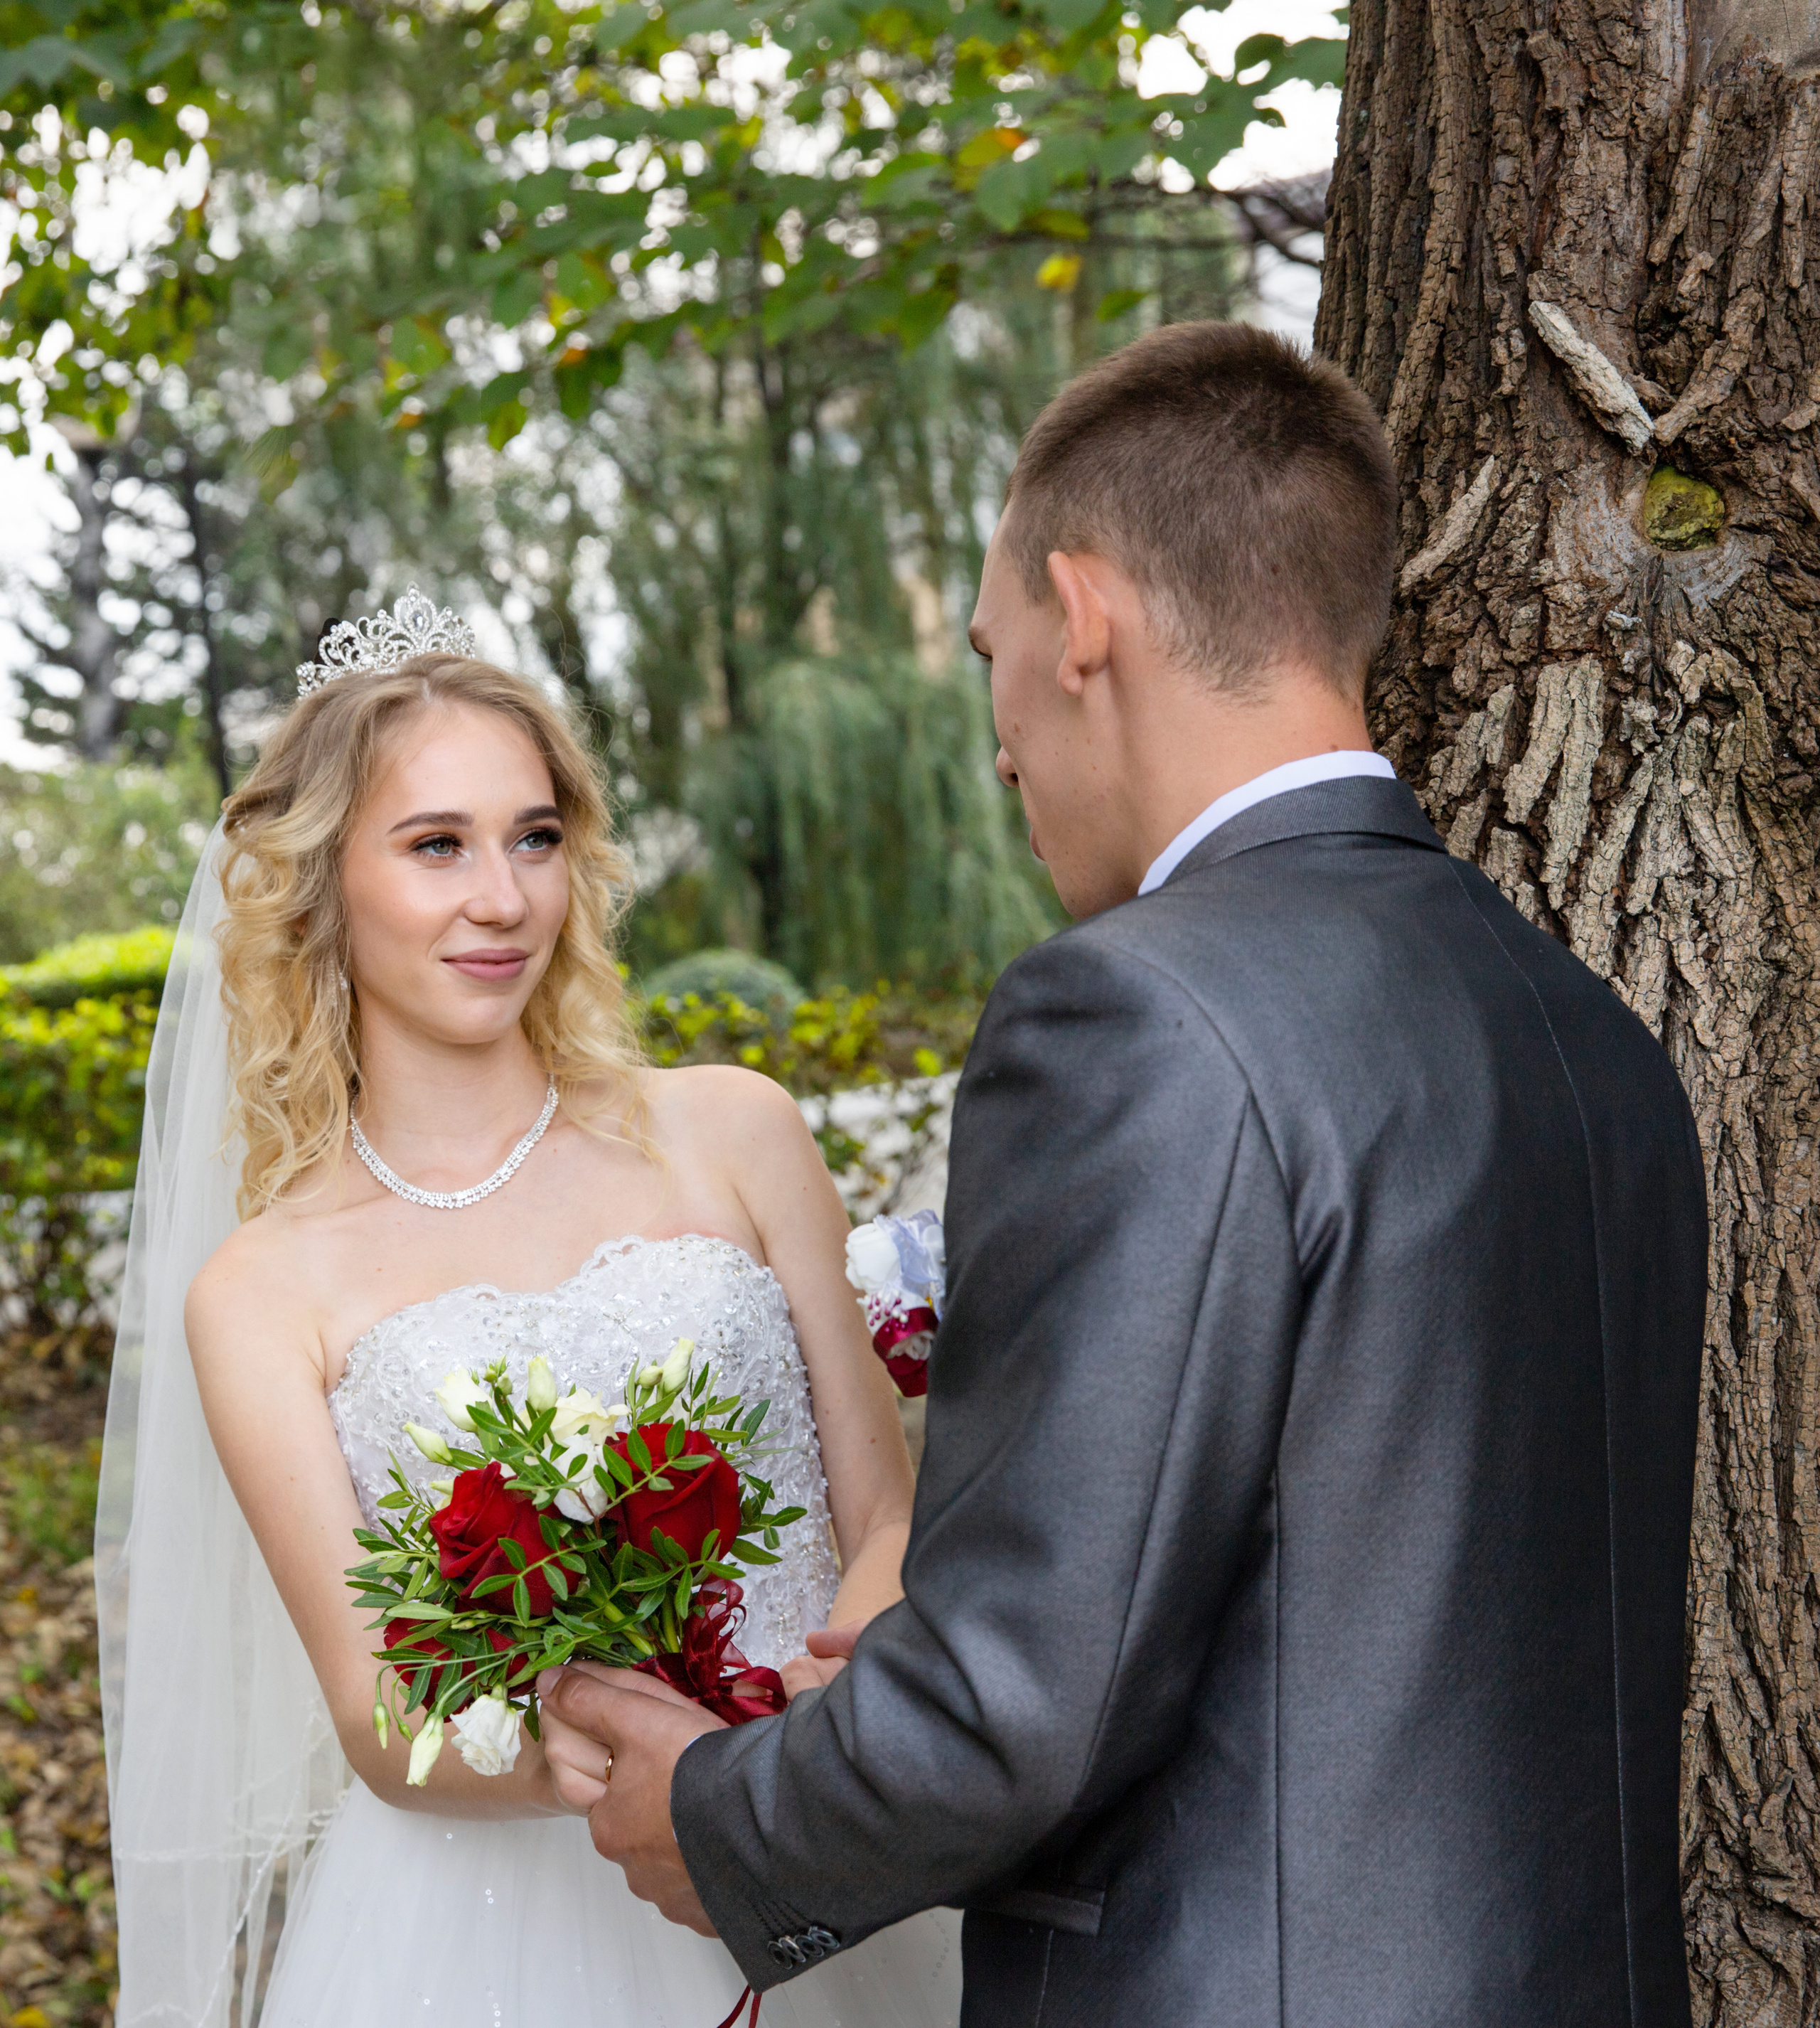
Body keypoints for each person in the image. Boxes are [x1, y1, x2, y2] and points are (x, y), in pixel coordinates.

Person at [538, 321, 1709, 2026]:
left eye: (988, 656)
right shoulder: (1591, 1038)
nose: (1000, 747)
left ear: (1081, 620)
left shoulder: (1132, 1010)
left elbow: (1016, 1703)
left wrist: (714, 1818)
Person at [95, 606, 962, 2027]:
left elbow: (883, 1510)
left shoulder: (733, 1131)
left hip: (835, 1845)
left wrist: (802, 1733)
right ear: (321, 885)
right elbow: (382, 1719)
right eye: (435, 844)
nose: (501, 898)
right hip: (487, 1941)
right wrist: (643, 1756)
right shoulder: (262, 1289)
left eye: (535, 836)